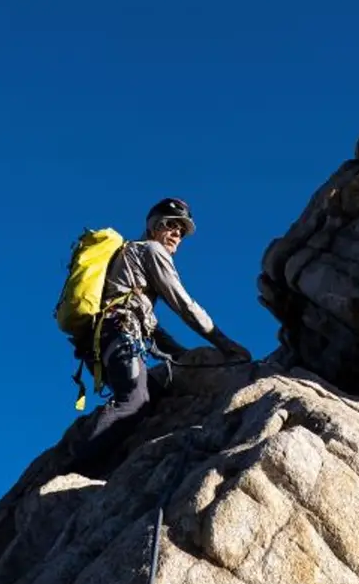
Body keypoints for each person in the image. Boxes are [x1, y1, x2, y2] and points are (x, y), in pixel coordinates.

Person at [74, 198, 250, 463]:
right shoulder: (152, 251)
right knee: (134, 401)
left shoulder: (131, 256)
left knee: (155, 397)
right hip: (117, 335)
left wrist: (179, 353)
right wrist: (224, 344)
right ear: (154, 226)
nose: (177, 233)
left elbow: (148, 323)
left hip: (105, 340)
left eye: (181, 230)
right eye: (171, 225)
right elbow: (184, 305)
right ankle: (79, 467)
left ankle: (105, 460)